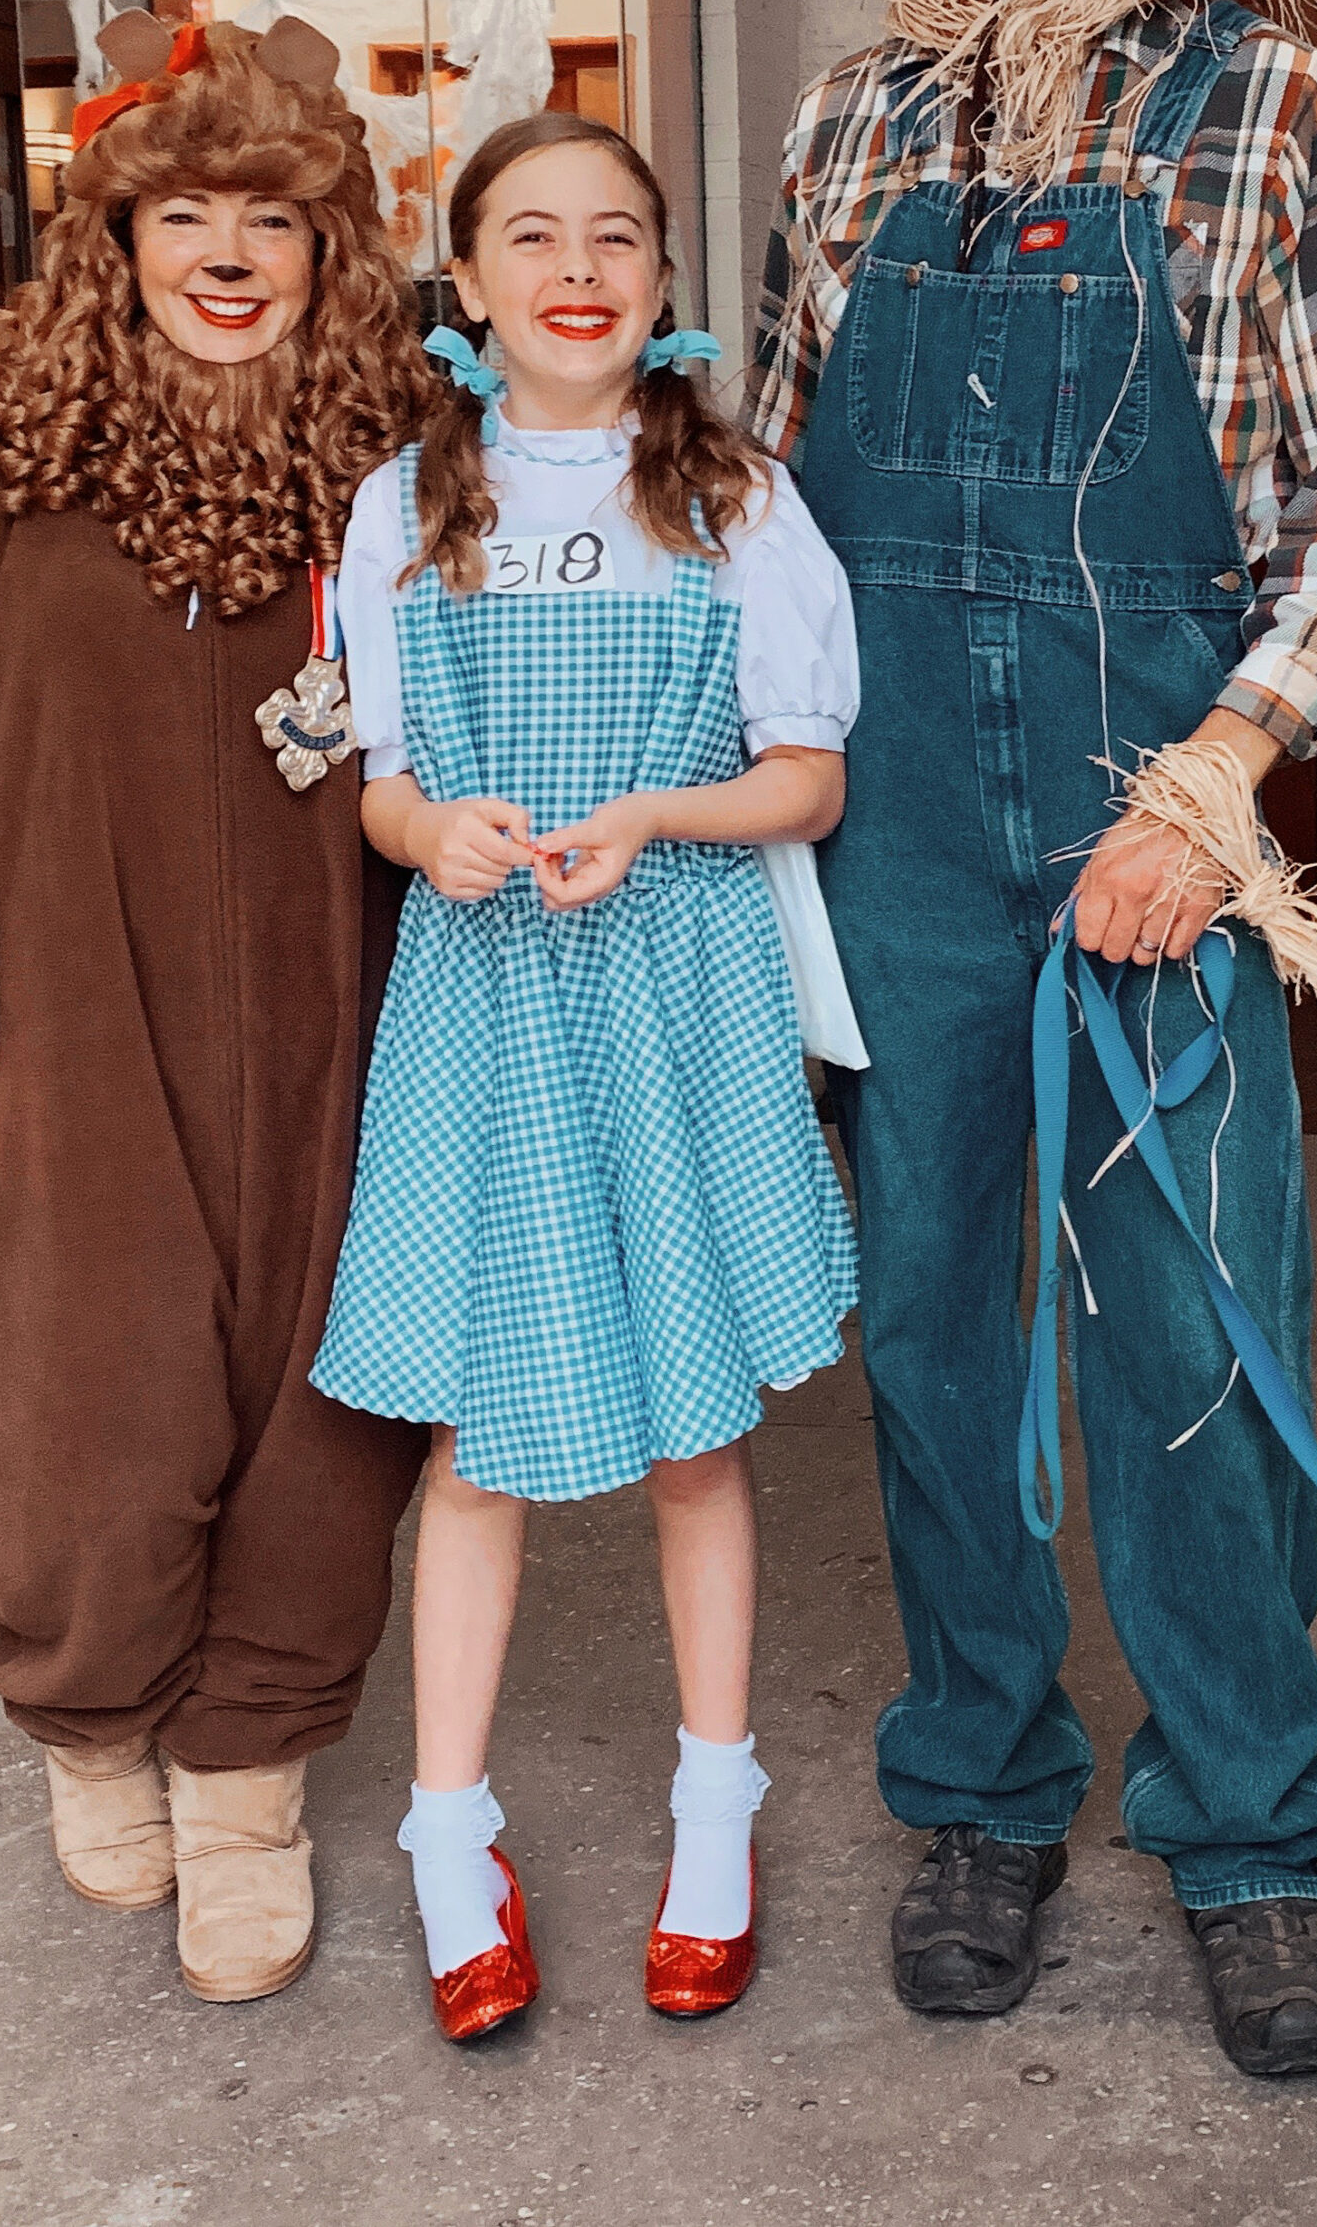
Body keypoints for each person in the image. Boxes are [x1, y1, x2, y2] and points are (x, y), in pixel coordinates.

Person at [733, 0, 1317, 2075]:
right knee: (928, 1324)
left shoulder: (1260, 83)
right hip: (896, 813)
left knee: (1191, 1337)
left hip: (1160, 803)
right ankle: (986, 1790)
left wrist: (1216, 781)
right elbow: (781, 516)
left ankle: (1245, 1831)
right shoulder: (850, 118)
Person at [0, 16, 438, 2006]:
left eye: (268, 210)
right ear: (114, 236)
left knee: (325, 1404)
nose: (229, 250)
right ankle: (93, 1726)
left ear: (329, 236)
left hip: (342, 1021)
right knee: (76, 1407)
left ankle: (245, 1773)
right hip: (69, 1022)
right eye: (183, 209)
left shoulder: (389, 462)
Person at [315, 112, 859, 2041]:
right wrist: (424, 830)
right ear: (465, 282)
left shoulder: (738, 497)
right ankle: (446, 1829)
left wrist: (659, 807)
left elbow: (810, 773)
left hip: (680, 980)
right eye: (529, 235)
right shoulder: (403, 503)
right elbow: (376, 778)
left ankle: (719, 1813)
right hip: (488, 996)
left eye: (617, 235)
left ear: (661, 280)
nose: (577, 265)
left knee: (695, 1431)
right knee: (478, 1435)